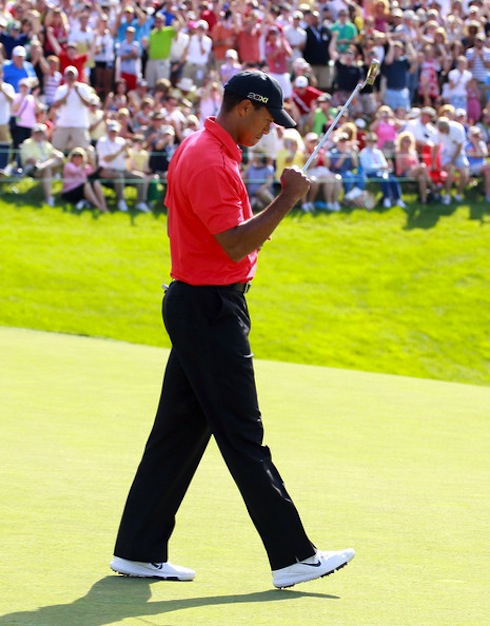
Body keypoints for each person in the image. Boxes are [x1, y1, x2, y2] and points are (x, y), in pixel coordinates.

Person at [109, 69, 355, 588]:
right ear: (245, 106)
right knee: (244, 436)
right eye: (268, 117)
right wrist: (287, 198)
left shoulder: (206, 149)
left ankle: (137, 548)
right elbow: (234, 244)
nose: (271, 128)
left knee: (176, 435)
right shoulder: (209, 159)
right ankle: (293, 556)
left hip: (201, 305)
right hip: (209, 311)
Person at [19, 122, 64, 206]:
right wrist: (38, 164)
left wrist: (57, 155)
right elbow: (28, 158)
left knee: (57, 160)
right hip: (33, 168)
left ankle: (43, 167)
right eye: (37, 133)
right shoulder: (27, 143)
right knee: (47, 170)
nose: (39, 135)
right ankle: (49, 198)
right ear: (33, 133)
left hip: (44, 167)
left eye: (41, 133)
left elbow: (55, 155)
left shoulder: (47, 145)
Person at [359, 133, 406, 209]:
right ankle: (386, 199)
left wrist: (387, 167)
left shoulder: (378, 152)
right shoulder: (363, 153)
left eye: (373, 141)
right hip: (370, 173)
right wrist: (380, 167)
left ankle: (397, 199)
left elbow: (383, 163)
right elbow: (366, 167)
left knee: (393, 180)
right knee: (384, 179)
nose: (371, 143)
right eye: (369, 141)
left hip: (382, 172)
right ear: (366, 142)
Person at [61, 146, 108, 212]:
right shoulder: (68, 165)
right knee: (87, 185)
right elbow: (76, 172)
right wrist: (84, 162)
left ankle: (103, 205)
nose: (77, 158)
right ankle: (99, 206)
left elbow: (94, 172)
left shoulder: (85, 167)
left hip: (81, 191)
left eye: (80, 156)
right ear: (71, 157)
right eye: (75, 156)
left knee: (96, 182)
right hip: (70, 192)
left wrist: (91, 159)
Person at [436, 116, 470, 205]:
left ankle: (458, 195)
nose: (441, 131)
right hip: (446, 154)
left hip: (459, 154)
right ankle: (447, 195)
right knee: (450, 172)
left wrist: (453, 160)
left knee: (464, 174)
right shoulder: (438, 131)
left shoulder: (457, 128)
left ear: (447, 127)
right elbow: (436, 145)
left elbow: (459, 147)